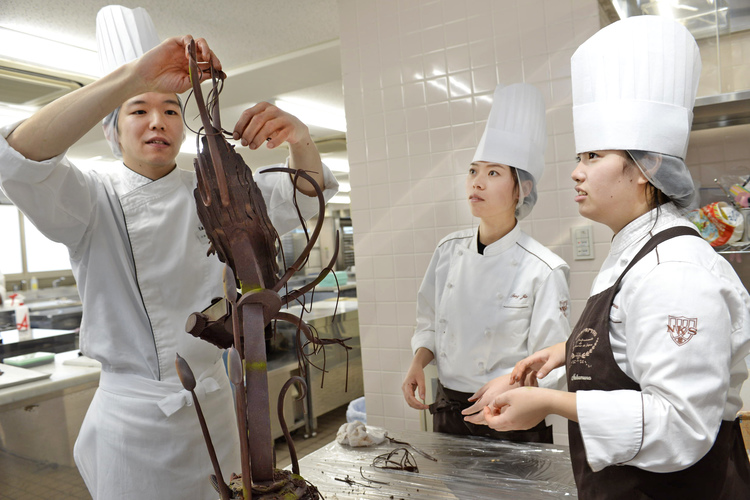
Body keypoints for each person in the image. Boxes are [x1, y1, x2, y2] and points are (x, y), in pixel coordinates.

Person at [0, 6, 338, 500]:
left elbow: (304, 198)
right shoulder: (90, 198)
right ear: (111, 129)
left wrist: (302, 140)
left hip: (216, 406)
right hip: (132, 425)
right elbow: (20, 159)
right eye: (138, 109)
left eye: (171, 109)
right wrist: (131, 76)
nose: (157, 121)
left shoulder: (213, 188)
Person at [463, 16, 750, 499]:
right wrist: (560, 356)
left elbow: (680, 424)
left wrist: (550, 402)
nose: (576, 173)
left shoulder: (673, 270)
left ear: (644, 168)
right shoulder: (636, 247)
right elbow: (631, 344)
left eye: (593, 157)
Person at [401, 83, 571, 443]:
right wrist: (419, 361)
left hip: (511, 412)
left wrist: (509, 388)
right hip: (450, 410)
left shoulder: (544, 268)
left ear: (521, 188)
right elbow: (429, 319)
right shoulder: (447, 251)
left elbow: (550, 361)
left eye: (493, 173)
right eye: (473, 171)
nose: (476, 183)